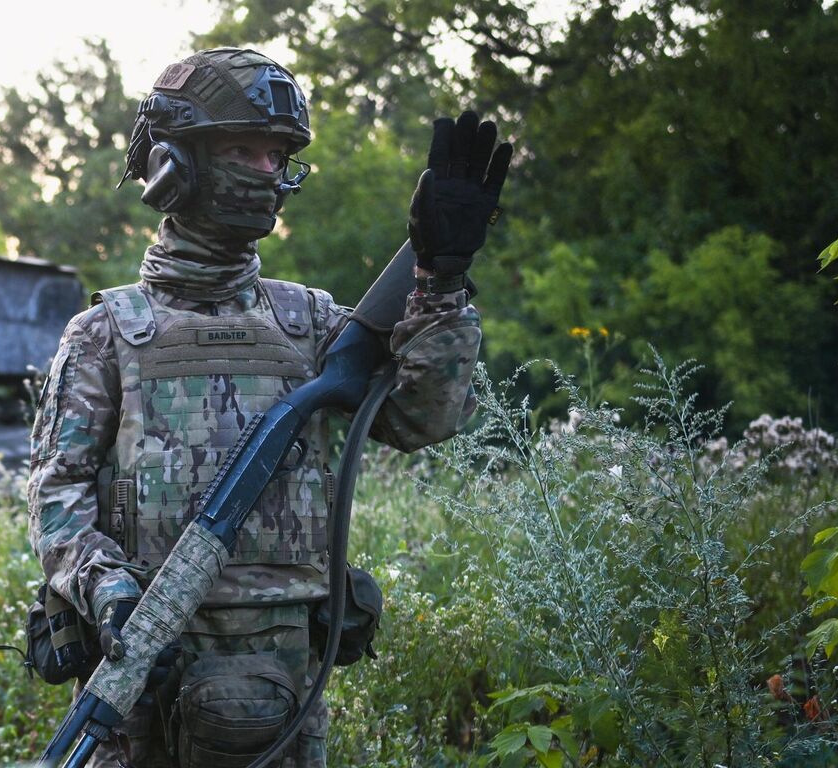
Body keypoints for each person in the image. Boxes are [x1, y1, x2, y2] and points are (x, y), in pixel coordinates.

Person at [27, 47, 509, 767]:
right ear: (173, 164)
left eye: (276, 154)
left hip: (281, 678)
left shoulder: (311, 325)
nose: (265, 172)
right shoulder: (106, 333)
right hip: (142, 663)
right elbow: (55, 495)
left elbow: (424, 419)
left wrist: (440, 279)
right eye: (242, 150)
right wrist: (108, 592)